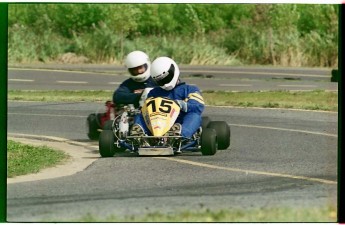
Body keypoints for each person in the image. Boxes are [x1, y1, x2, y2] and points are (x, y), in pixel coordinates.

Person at [131, 56, 205, 139]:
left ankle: (179, 134)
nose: (165, 84)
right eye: (161, 81)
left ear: (173, 71)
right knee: (140, 115)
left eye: (166, 78)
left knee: (194, 116)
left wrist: (182, 104)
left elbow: (198, 106)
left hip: (179, 122)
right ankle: (139, 134)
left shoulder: (189, 89)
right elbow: (146, 109)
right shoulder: (154, 92)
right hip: (156, 122)